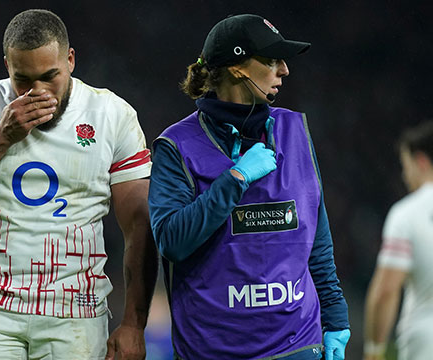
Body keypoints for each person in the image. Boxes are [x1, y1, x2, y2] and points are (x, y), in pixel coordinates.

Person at [0, 9, 158, 359]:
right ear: (7, 67)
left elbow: (140, 222)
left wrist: (134, 325)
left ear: (70, 60)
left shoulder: (111, 115)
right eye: (23, 80)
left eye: (50, 76)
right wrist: (2, 135)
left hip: (75, 314)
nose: (38, 91)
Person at [147, 14, 350, 359]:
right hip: (212, 348)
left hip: (296, 344)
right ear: (239, 68)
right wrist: (235, 180)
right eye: (271, 61)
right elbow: (171, 241)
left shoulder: (295, 130)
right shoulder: (176, 145)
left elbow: (316, 237)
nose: (284, 70)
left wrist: (336, 318)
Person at [363, 122, 433, 360]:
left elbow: (386, 290)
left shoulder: (407, 214)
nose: (405, 175)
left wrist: (374, 349)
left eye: (406, 166)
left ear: (421, 161)